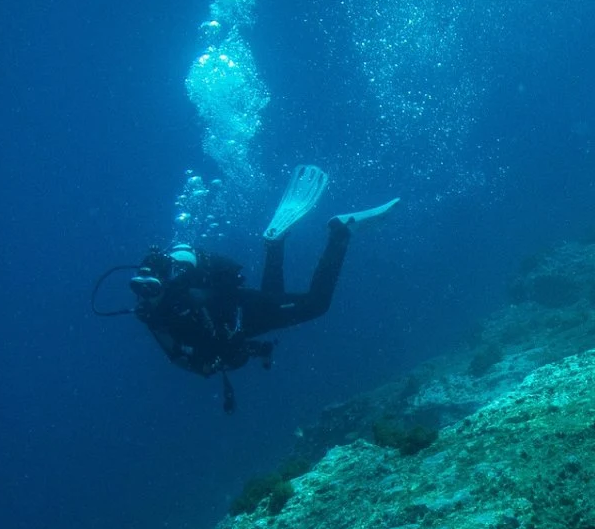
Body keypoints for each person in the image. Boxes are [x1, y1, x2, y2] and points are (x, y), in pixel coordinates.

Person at [118, 169, 397, 411]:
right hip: (245, 318)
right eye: (141, 290)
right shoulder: (153, 315)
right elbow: (179, 355)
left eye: (149, 288)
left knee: (316, 305)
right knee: (271, 299)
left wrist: (212, 358)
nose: (147, 295)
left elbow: (203, 331)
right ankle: (274, 245)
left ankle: (340, 233)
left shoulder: (174, 301)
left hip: (243, 313)